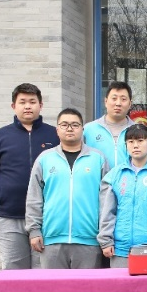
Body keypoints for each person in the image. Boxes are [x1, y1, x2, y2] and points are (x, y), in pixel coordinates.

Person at [0, 82, 60, 270]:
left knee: (43, 270)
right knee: (14, 271)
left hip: (46, 217)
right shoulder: (1, 136)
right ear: (14, 106)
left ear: (40, 105)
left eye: (32, 102)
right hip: (9, 216)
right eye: (22, 102)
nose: (28, 106)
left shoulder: (54, 136)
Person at [25, 108, 110, 269]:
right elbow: (34, 198)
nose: (69, 128)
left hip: (89, 239)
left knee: (87, 285)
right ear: (57, 130)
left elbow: (107, 200)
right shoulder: (45, 159)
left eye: (75, 125)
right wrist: (34, 230)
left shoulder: (98, 158)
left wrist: (105, 234)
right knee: (53, 286)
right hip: (51, 240)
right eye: (64, 125)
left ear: (82, 129)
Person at [98, 124, 147, 268]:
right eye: (131, 141)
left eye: (140, 141)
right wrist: (106, 240)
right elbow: (107, 211)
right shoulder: (115, 175)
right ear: (126, 145)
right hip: (121, 249)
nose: (135, 145)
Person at [83, 81, 136, 168]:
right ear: (106, 101)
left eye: (123, 99)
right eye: (114, 98)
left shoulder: (138, 130)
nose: (118, 103)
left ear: (130, 104)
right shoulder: (88, 129)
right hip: (97, 177)